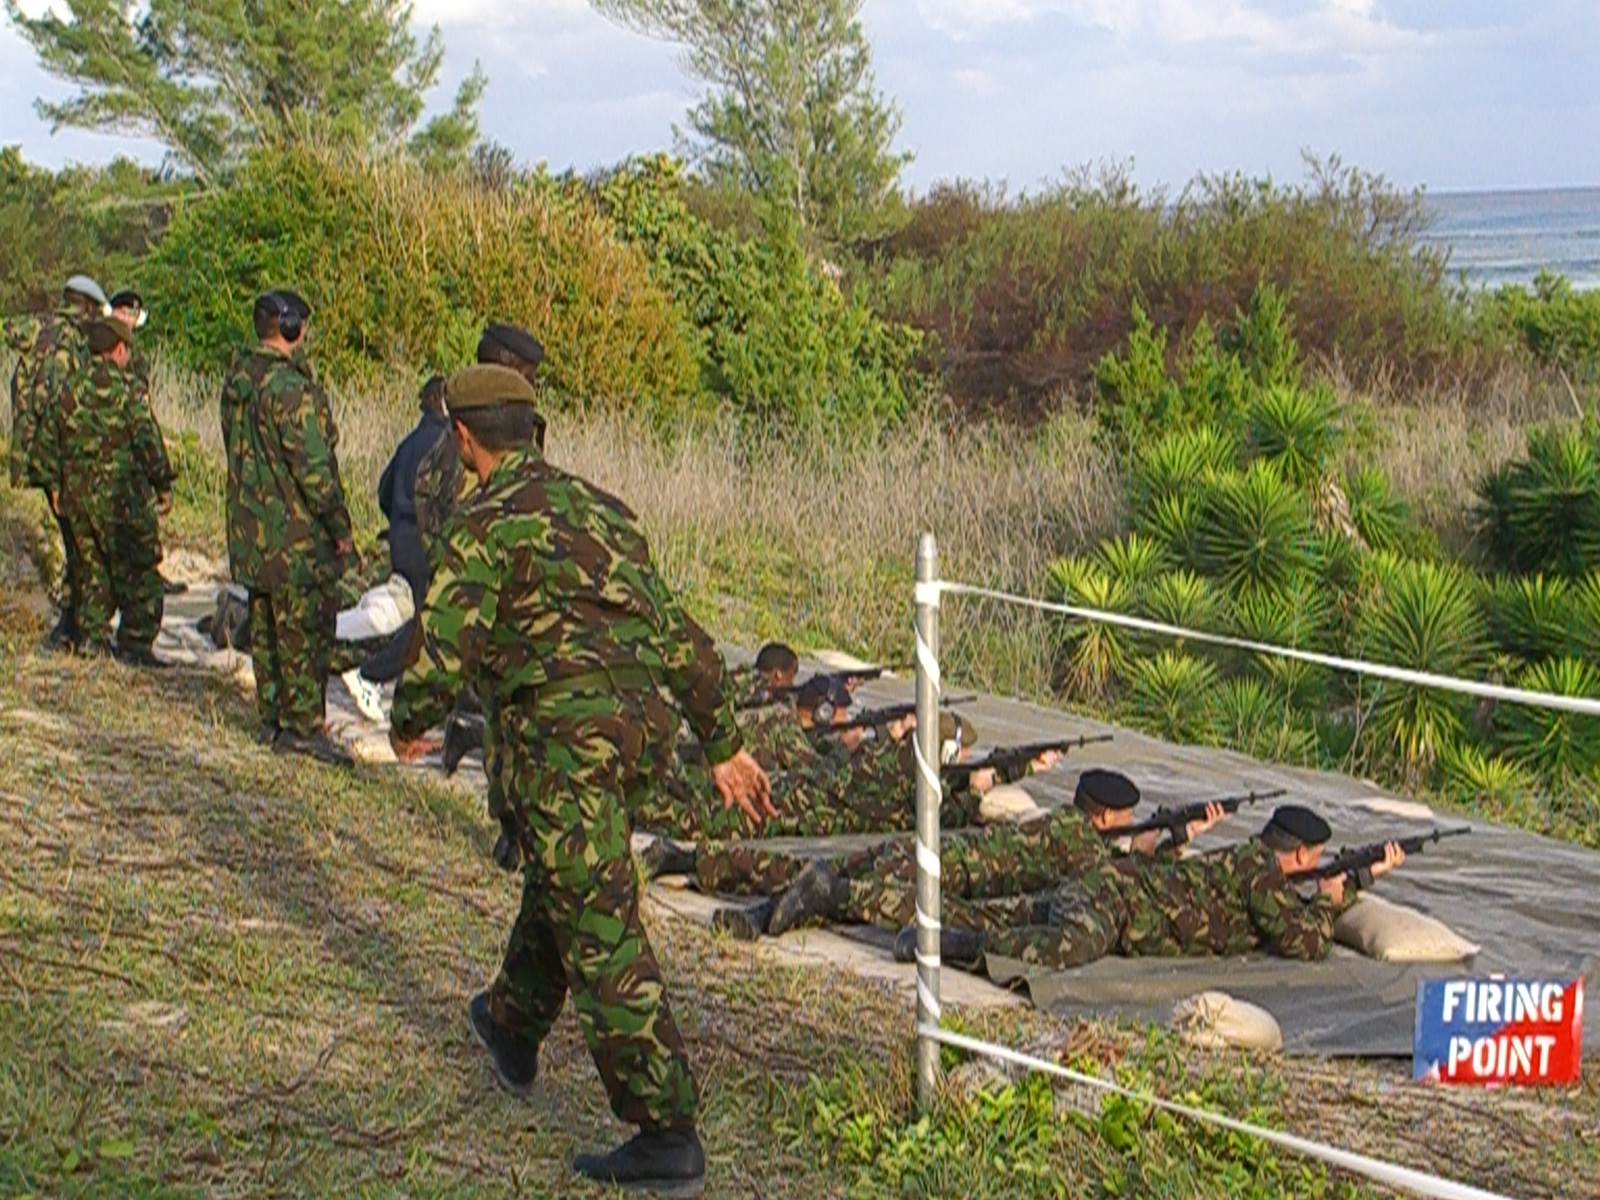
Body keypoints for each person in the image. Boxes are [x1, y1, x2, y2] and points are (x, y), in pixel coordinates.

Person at [389, 364, 771, 1195]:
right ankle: (511, 1026)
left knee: (598, 919)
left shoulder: (482, 520)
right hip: (635, 738)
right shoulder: (604, 510)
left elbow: (444, 644)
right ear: (532, 430)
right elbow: (676, 632)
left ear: (462, 439)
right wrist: (721, 739)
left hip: (562, 744)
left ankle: (665, 1129)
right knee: (570, 881)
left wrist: (405, 722)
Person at [698, 769, 1219, 941]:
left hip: (935, 847)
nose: (1129, 827)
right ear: (1105, 818)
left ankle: (754, 911)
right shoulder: (1082, 845)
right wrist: (1166, 847)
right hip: (947, 874)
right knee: (847, 897)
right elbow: (1111, 882)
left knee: (820, 875)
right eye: (1125, 820)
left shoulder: (1057, 822)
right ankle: (784, 905)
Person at [930, 805, 1404, 973]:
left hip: (1114, 890)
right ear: (1301, 855)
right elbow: (1303, 942)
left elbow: (1286, 914)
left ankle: (922, 919)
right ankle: (955, 944)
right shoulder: (1259, 874)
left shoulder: (1249, 859)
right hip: (1115, 903)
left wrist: (1356, 883)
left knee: (1008, 913)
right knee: (1067, 948)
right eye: (1317, 857)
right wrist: (1328, 902)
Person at [220, 290, 353, 763]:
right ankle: (302, 728)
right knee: (303, 629)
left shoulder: (238, 379)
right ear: (292, 327)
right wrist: (339, 524)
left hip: (251, 532)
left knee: (266, 624)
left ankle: (274, 716)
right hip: (294, 535)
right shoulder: (289, 388)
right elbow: (314, 469)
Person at [31, 317, 173, 660]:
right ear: (119, 349)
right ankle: (136, 645)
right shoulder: (129, 391)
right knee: (141, 572)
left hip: (78, 500)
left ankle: (92, 639)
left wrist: (54, 487)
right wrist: (162, 484)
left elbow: (44, 444)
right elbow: (147, 441)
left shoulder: (68, 390)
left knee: (90, 569)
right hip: (123, 501)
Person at [338, 375, 449, 720]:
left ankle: (380, 672)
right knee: (429, 621)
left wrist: (399, 520)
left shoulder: (410, 442)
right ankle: (371, 674)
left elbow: (384, 489)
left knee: (412, 613)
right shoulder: (445, 444)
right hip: (424, 538)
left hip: (400, 535)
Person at [8, 274, 109, 648]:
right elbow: (60, 411)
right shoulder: (72, 343)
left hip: (33, 454)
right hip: (63, 463)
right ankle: (75, 626)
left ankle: (73, 623)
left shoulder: (39, 331)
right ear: (87, 306)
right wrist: (59, 479)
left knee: (73, 540)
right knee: (82, 543)